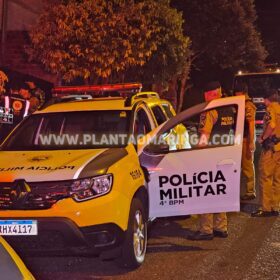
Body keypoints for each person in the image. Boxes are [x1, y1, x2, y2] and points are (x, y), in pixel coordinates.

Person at [188, 81, 234, 240]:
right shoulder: (230, 108)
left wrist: (198, 155)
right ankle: (221, 227)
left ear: (211, 93)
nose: (204, 96)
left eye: (206, 93)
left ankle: (206, 229)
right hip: (225, 154)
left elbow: (205, 136)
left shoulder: (211, 110)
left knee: (206, 191)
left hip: (210, 156)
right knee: (220, 190)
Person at [251, 89, 280, 217]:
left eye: (264, 99)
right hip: (279, 148)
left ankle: (266, 208)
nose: (263, 102)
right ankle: (275, 206)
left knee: (265, 177)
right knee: (277, 179)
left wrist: (262, 138)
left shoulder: (271, 109)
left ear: (268, 99)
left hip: (270, 148)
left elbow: (272, 125)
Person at [234, 82, 257, 200]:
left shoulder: (248, 105)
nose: (235, 94)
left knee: (247, 165)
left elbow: (251, 124)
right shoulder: (241, 103)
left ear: (241, 92)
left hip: (246, 139)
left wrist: (251, 141)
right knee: (240, 165)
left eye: (237, 92)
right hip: (240, 138)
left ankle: (250, 191)